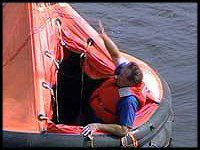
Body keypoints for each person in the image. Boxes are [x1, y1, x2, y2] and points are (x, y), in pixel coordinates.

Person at [81, 20, 147, 147]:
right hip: (95, 109)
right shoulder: (123, 74)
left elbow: (124, 130)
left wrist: (98, 126)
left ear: (130, 83)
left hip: (103, 122)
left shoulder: (128, 101)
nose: (117, 75)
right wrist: (103, 36)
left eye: (122, 76)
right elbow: (115, 55)